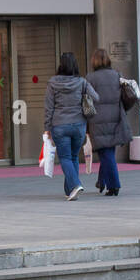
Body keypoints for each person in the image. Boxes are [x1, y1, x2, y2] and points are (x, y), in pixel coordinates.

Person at [43, 52, 99, 201]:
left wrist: (47, 127)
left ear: (61, 64)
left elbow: (49, 107)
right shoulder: (81, 82)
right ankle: (70, 191)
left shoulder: (52, 83)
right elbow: (96, 97)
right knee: (73, 156)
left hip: (59, 125)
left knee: (65, 158)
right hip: (79, 125)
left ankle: (74, 185)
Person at [85, 48, 133, 196]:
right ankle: (102, 181)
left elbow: (86, 102)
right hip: (116, 117)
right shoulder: (116, 75)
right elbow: (128, 97)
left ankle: (114, 185)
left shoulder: (90, 78)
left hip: (97, 120)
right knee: (108, 151)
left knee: (106, 153)